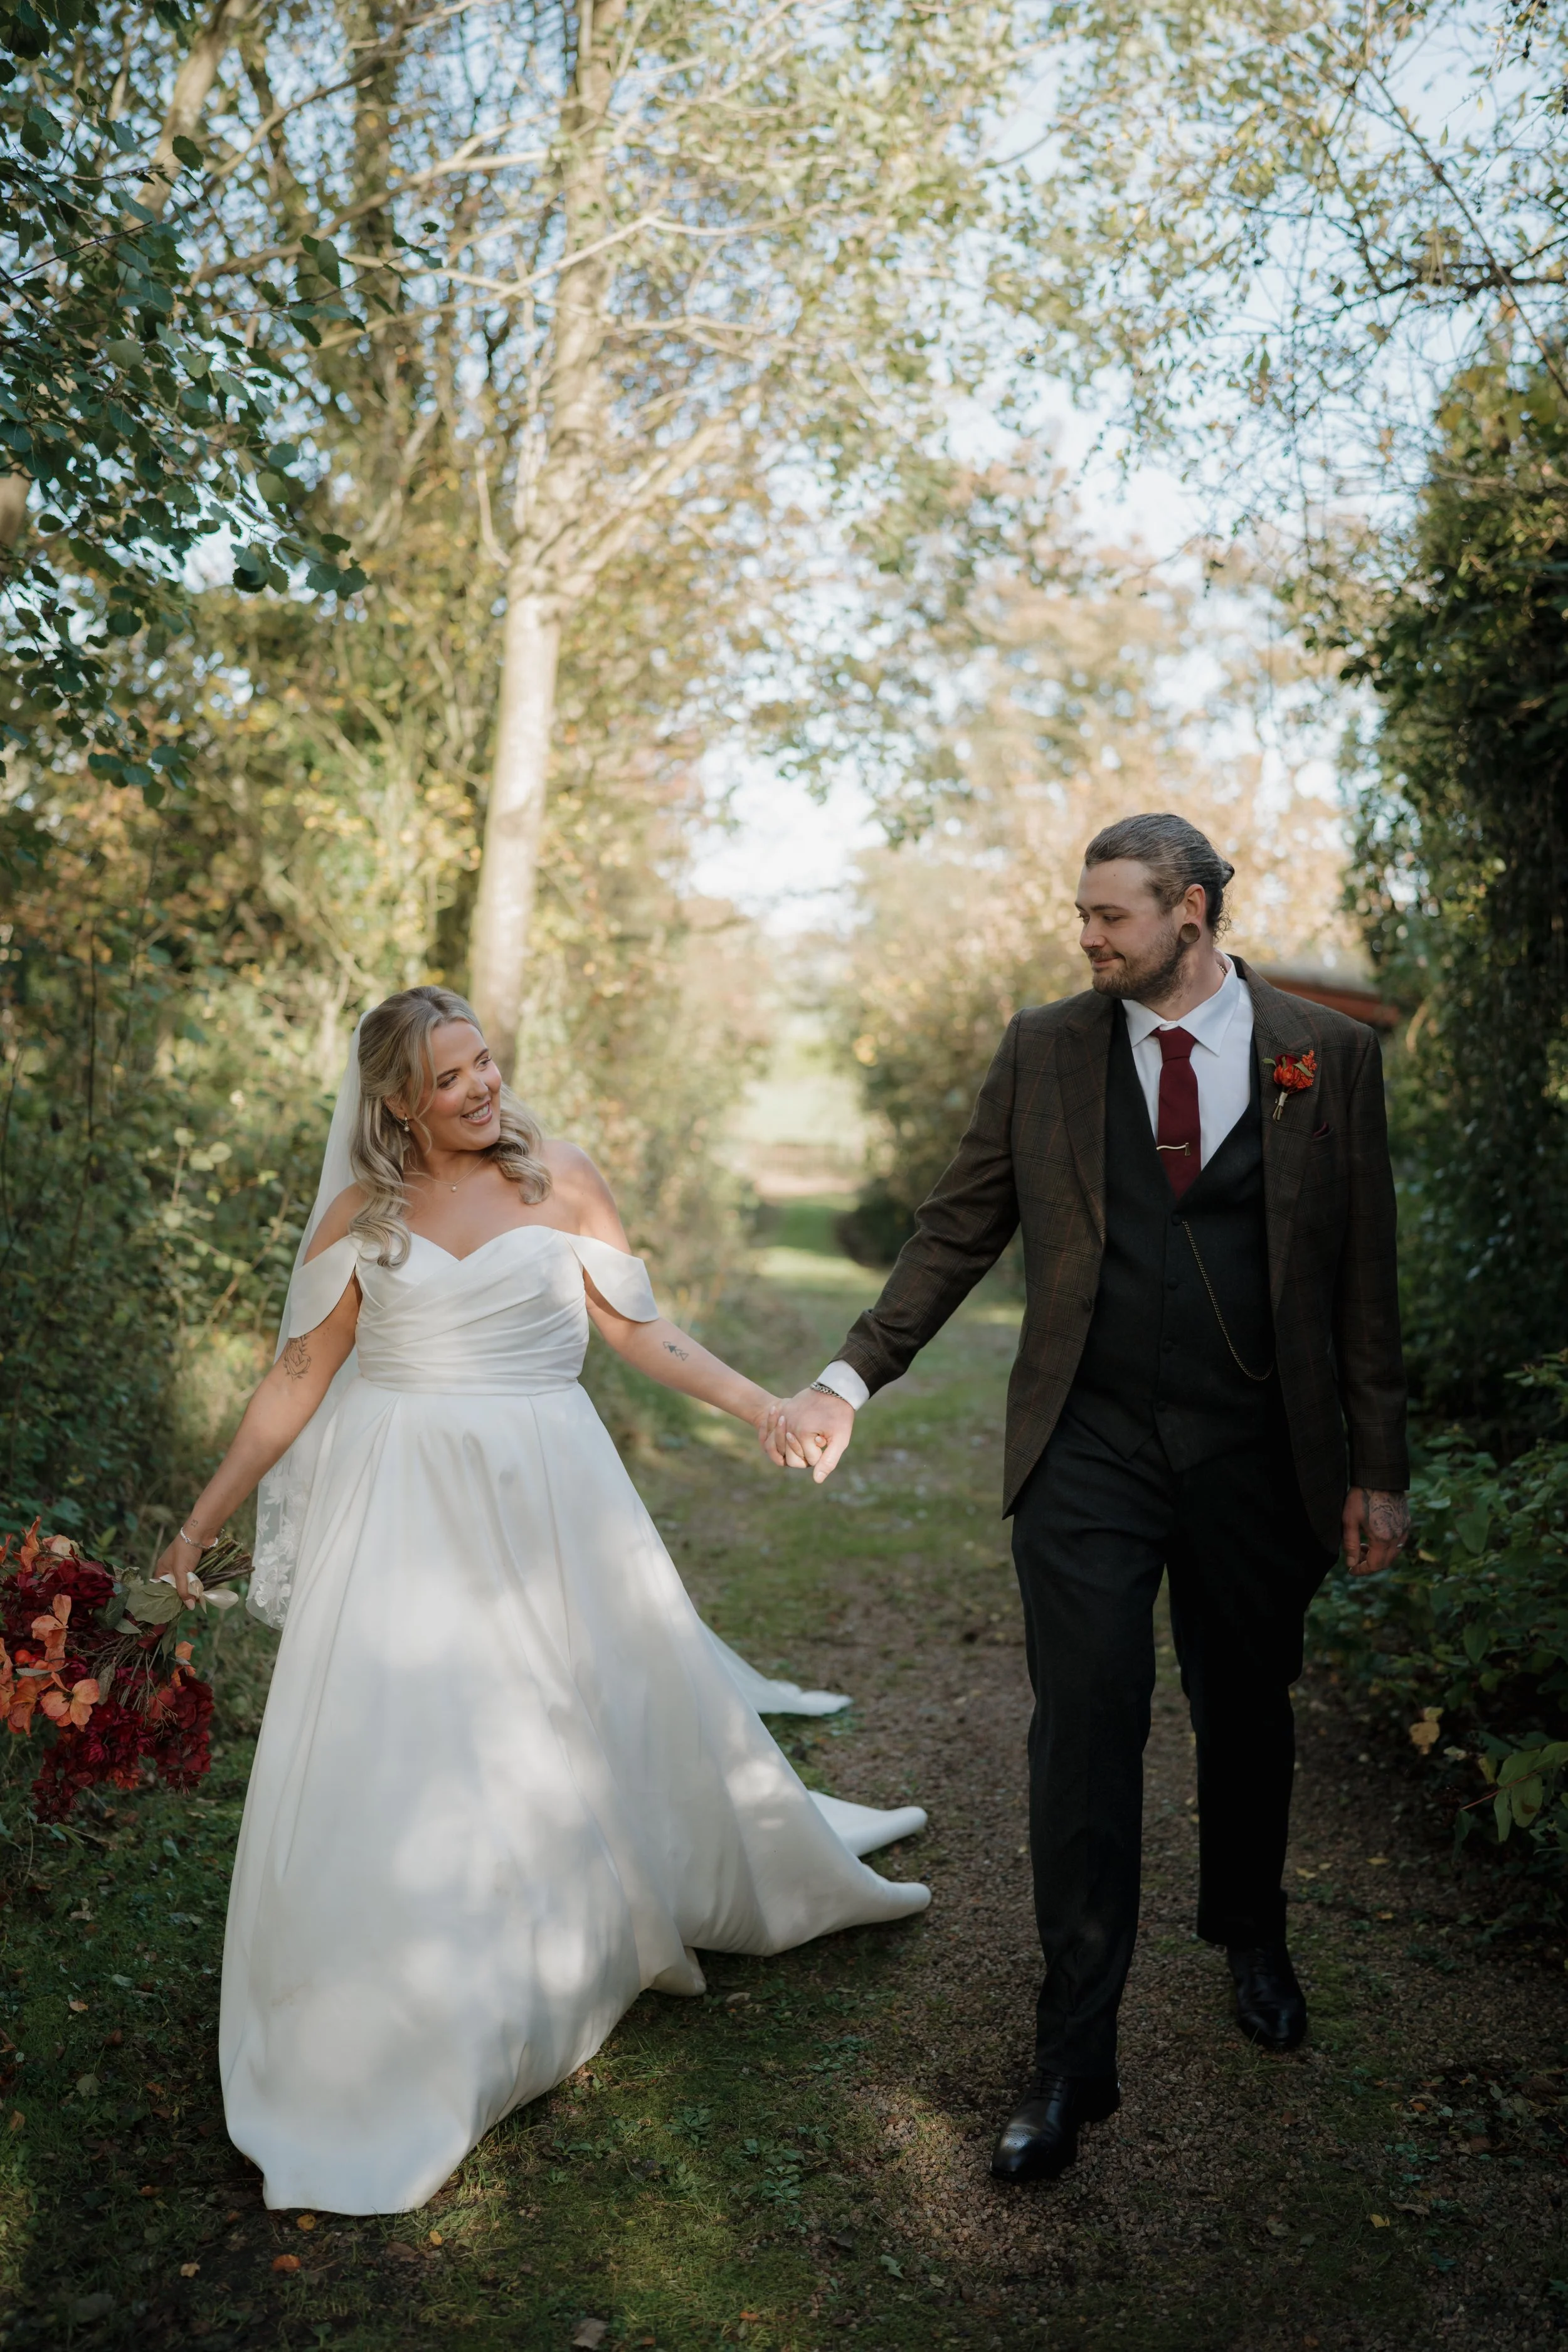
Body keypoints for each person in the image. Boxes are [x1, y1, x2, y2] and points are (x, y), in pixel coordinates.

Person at [158, 985, 927, 2216]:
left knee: (565, 1713)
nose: (482, 1088)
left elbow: (644, 1334)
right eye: (451, 1078)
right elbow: (295, 1381)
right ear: (397, 1103)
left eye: (486, 1062)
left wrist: (765, 1411)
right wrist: (195, 1530)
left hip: (551, 1490)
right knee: (416, 1747)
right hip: (405, 1507)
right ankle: (411, 2000)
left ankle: (579, 1924)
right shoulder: (365, 1215)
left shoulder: (558, 1178)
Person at [764, 812, 1408, 2185]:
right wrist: (844, 1380)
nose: (1087, 936)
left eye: (1111, 915)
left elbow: (1364, 1278)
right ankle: (1072, 2054)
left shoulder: (1324, 1055)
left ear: (1189, 912)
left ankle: (1251, 1930)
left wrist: (1374, 1468)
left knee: (1245, 1712)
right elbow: (955, 1228)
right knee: (1082, 1735)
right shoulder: (1044, 1049)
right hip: (1089, 1447)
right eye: (1082, 915)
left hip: (1258, 1454)